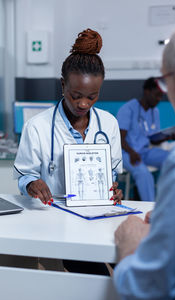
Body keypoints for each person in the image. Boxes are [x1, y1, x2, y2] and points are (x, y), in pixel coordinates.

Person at [13, 28, 123, 273]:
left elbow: (112, 174)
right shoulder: (37, 127)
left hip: (99, 220)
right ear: (63, 85)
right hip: (56, 222)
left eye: (92, 97)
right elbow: (25, 175)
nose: (83, 104)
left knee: (127, 261)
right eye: (76, 96)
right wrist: (33, 184)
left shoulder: (109, 124)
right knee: (93, 273)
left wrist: (113, 189)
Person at [114, 19, 175, 299]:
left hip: (148, 149)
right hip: (131, 153)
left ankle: (150, 210)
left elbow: (149, 286)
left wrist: (129, 244)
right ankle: (151, 205)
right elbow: (124, 136)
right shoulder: (130, 108)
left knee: (165, 160)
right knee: (140, 170)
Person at [117, 77, 173, 201]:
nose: (158, 99)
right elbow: (119, 138)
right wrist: (132, 152)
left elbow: (153, 139)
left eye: (161, 97)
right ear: (147, 92)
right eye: (157, 95)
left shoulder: (155, 111)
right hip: (126, 152)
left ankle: (172, 201)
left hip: (145, 151)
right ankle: (151, 211)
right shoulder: (128, 109)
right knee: (143, 174)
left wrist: (168, 136)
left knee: (173, 158)